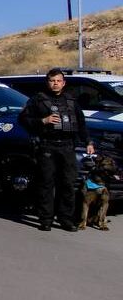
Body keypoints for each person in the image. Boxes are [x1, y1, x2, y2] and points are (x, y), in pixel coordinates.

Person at [18, 68, 94, 232]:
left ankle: (65, 219)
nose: (55, 84)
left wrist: (88, 141)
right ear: (48, 82)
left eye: (58, 81)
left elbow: (81, 123)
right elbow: (23, 119)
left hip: (67, 146)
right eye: (52, 81)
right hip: (47, 146)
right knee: (46, 183)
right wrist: (42, 121)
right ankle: (45, 219)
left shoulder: (71, 100)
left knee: (67, 184)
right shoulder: (37, 100)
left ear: (64, 83)